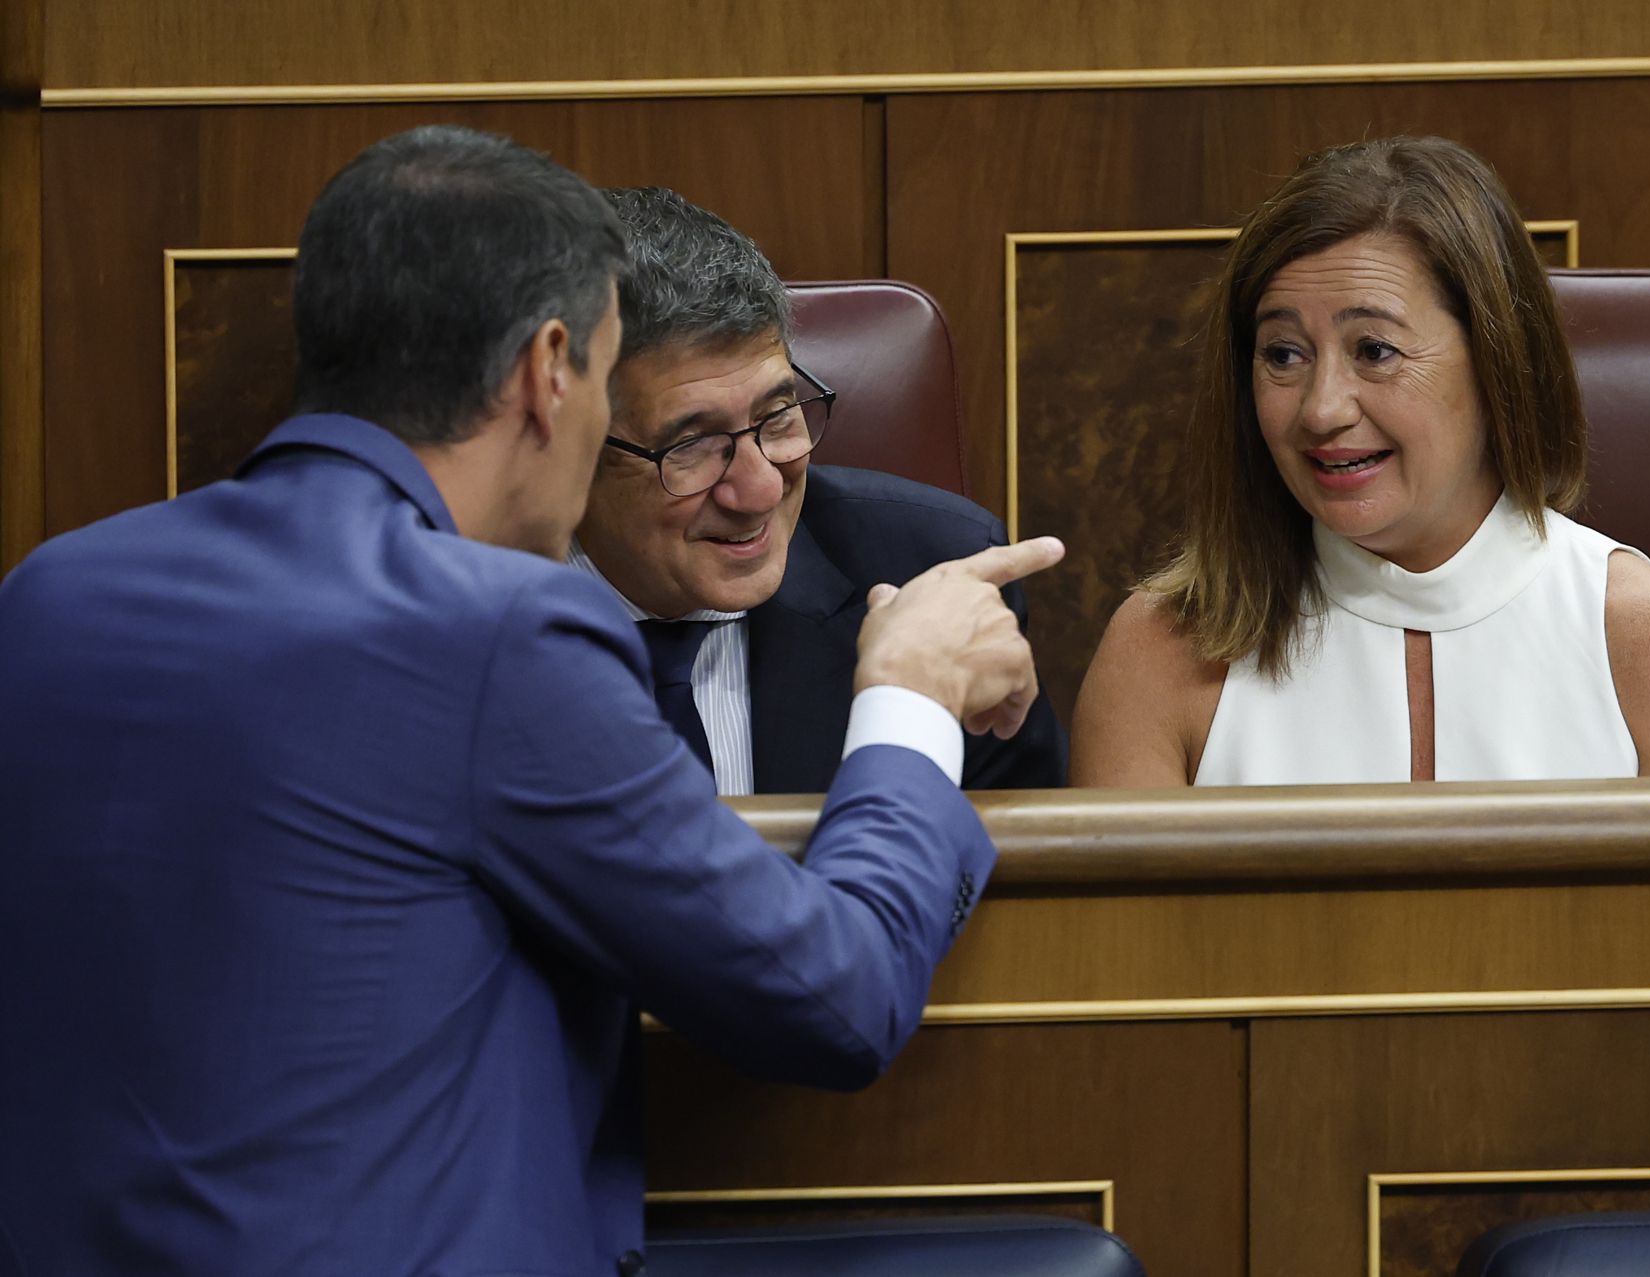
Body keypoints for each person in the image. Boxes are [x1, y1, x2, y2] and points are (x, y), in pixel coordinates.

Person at [0, 125, 1062, 1276]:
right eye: (621, 388)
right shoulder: (497, 629)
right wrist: (908, 699)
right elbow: (832, 997)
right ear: (549, 374)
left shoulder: (50, 593)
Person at [1072, 135, 1650, 786]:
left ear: (1497, 362)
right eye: (1284, 354)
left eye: (1375, 351)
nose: (1322, 409)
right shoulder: (1162, 650)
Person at [574, 186, 1066, 795]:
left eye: (778, 417)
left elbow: (1017, 876)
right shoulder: (452, 627)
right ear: (569, 450)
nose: (757, 491)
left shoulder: (934, 576)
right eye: (692, 446)